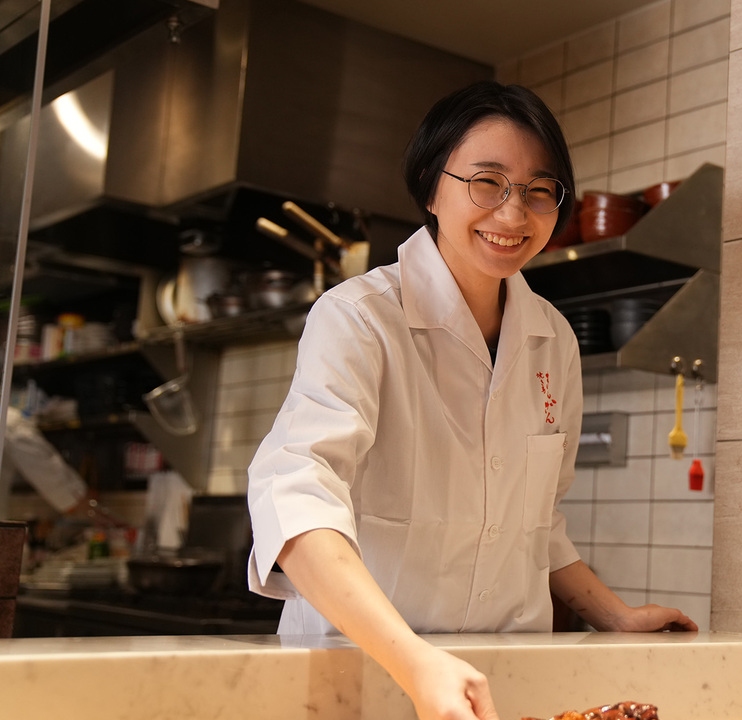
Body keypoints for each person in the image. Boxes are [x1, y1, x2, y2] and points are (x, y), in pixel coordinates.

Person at [246, 82, 697, 720]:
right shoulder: (360, 318)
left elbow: (536, 522)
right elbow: (294, 498)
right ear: (432, 189)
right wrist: (412, 659)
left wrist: (613, 615)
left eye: (540, 190)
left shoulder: (553, 338)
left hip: (504, 683)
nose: (513, 214)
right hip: (363, 676)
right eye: (486, 182)